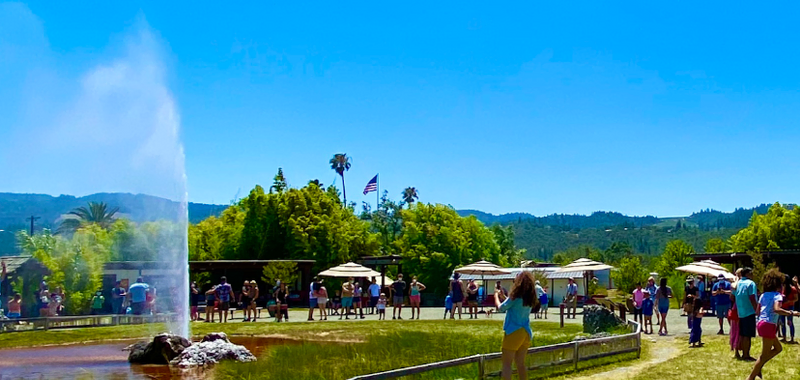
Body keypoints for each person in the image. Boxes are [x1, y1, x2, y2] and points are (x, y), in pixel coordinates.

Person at [745, 269, 800, 380]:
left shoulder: (764, 295)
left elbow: (757, 311)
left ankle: (758, 366)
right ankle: (751, 377)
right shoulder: (777, 296)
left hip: (761, 323)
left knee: (778, 348)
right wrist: (791, 313)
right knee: (764, 355)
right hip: (769, 325)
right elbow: (777, 309)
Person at [495, 271, 537, 380]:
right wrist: (504, 296)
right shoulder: (529, 298)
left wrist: (496, 296)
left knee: (507, 364)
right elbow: (512, 305)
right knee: (520, 364)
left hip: (513, 331)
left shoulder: (515, 296)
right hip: (526, 332)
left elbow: (501, 308)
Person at [735, 267, 758, 361]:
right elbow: (752, 297)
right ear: (747, 274)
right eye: (751, 273)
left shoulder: (738, 283)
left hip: (740, 312)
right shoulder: (751, 283)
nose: (752, 275)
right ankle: (746, 354)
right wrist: (757, 309)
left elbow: (732, 296)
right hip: (749, 311)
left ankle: (742, 352)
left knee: (743, 334)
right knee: (748, 335)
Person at [779, 275, 797, 343]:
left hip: (789, 307)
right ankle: (784, 337)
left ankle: (792, 338)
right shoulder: (781, 289)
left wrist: (789, 301)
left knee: (790, 322)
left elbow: (796, 299)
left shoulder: (792, 289)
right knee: (782, 322)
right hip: (782, 307)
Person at [730, 268, 743, 358]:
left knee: (736, 329)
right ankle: (737, 349)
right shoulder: (738, 284)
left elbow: (732, 296)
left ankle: (737, 348)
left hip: (737, 308)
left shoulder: (738, 284)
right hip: (738, 309)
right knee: (737, 329)